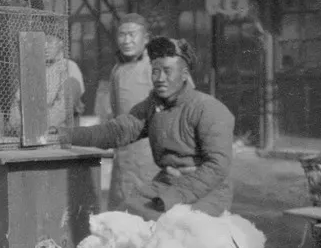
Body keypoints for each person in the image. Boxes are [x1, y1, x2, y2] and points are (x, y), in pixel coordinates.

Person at [59, 36, 235, 220]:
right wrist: (65, 135)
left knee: (172, 231)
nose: (160, 79)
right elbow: (116, 132)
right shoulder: (153, 106)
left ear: (184, 75)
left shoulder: (209, 109)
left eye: (167, 71)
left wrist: (175, 196)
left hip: (207, 191)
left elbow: (217, 167)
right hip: (167, 184)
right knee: (121, 220)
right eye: (155, 71)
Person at [101, 14, 158, 211]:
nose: (126, 41)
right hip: (124, 155)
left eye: (132, 35)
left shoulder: (157, 66)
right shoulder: (117, 70)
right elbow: (115, 112)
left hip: (152, 152)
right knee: (122, 211)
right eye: (122, 35)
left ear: (146, 38)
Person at [9, 34, 84, 134]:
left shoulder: (70, 66)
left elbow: (66, 104)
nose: (45, 46)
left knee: (71, 86)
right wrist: (17, 125)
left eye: (50, 41)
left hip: (59, 131)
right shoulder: (35, 70)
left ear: (60, 44)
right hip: (31, 130)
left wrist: (42, 125)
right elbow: (18, 100)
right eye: (43, 42)